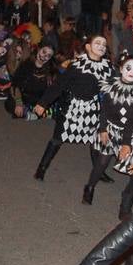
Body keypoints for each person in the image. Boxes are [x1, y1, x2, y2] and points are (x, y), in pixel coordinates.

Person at [32, 34, 111, 182]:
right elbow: (59, 85)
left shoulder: (107, 67)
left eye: (104, 44)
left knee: (96, 142)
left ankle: (98, 172)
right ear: (88, 47)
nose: (101, 46)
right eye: (98, 43)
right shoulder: (77, 65)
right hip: (72, 108)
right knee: (57, 139)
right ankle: (42, 168)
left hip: (92, 109)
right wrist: (43, 103)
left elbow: (112, 91)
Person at [84, 53, 133, 213]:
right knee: (102, 161)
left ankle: (127, 202)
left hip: (129, 133)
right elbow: (104, 110)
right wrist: (103, 128)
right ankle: (90, 186)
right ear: (121, 69)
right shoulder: (110, 86)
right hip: (110, 129)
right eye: (128, 68)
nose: (131, 72)